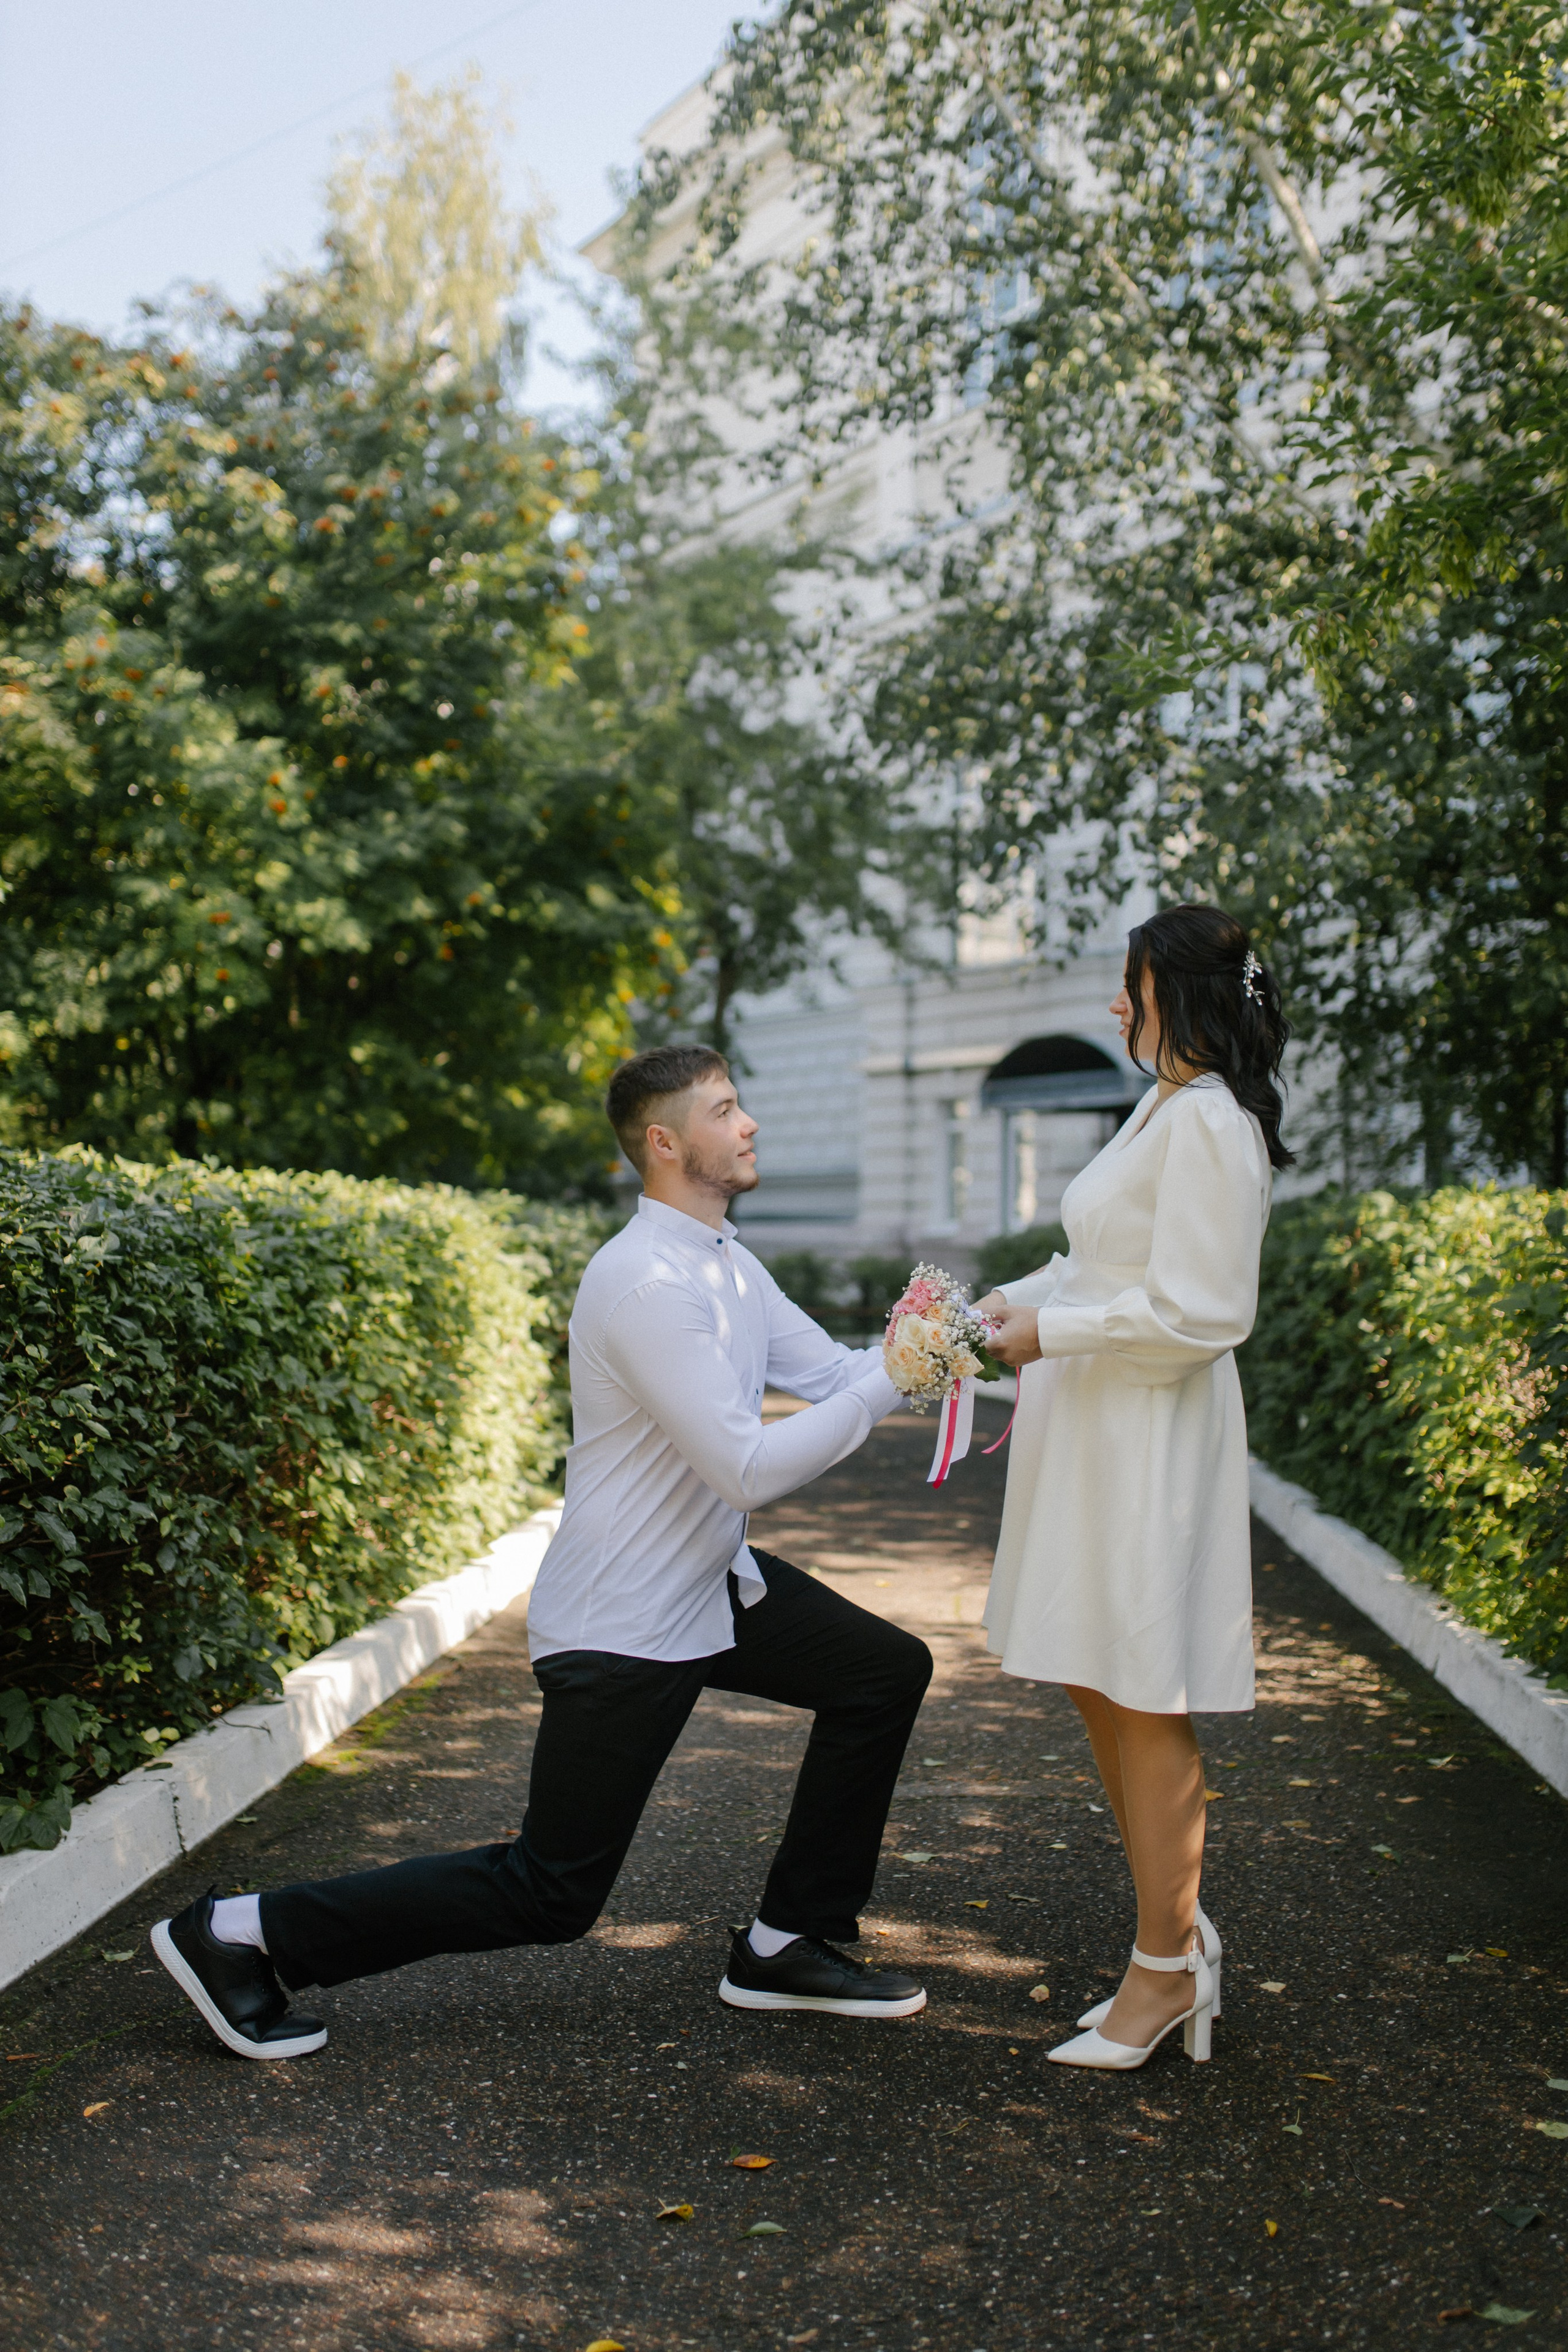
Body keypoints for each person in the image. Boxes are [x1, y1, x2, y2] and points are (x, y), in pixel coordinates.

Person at [153, 1044, 931, 2059]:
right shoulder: (644, 1282)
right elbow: (747, 1469)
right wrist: (902, 1374)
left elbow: (834, 1377)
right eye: (724, 1110)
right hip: (625, 1620)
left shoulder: (727, 1265)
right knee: (551, 1893)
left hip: (710, 1589)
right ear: (664, 1143)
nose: (748, 1125)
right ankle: (236, 1933)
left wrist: (960, 1332)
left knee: (882, 1672)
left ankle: (787, 1942)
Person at [979, 905, 1292, 2071]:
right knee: (1093, 1672)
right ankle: (1175, 1930)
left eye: (1135, 984)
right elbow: (1098, 1261)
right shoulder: (1163, 1105)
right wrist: (1001, 1308)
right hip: (1096, 1425)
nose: (1118, 1002)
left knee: (1143, 1687)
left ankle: (1164, 1969)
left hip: (1149, 1434)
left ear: (1185, 995)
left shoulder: (1211, 1121)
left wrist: (1051, 1333)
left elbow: (1204, 1312)